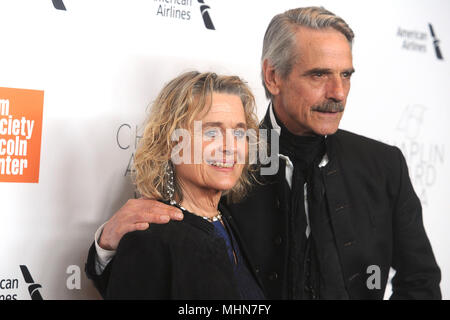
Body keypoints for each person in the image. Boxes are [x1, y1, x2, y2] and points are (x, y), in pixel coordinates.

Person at [86, 7, 441, 299]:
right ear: (273, 76)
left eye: (346, 75)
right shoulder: (220, 165)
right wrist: (107, 243)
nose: (338, 92)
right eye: (319, 75)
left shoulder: (382, 165)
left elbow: (421, 280)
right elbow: (152, 274)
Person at [101, 71, 265, 299]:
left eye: (239, 132)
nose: (230, 146)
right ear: (170, 142)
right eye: (211, 132)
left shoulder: (235, 220)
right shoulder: (149, 239)